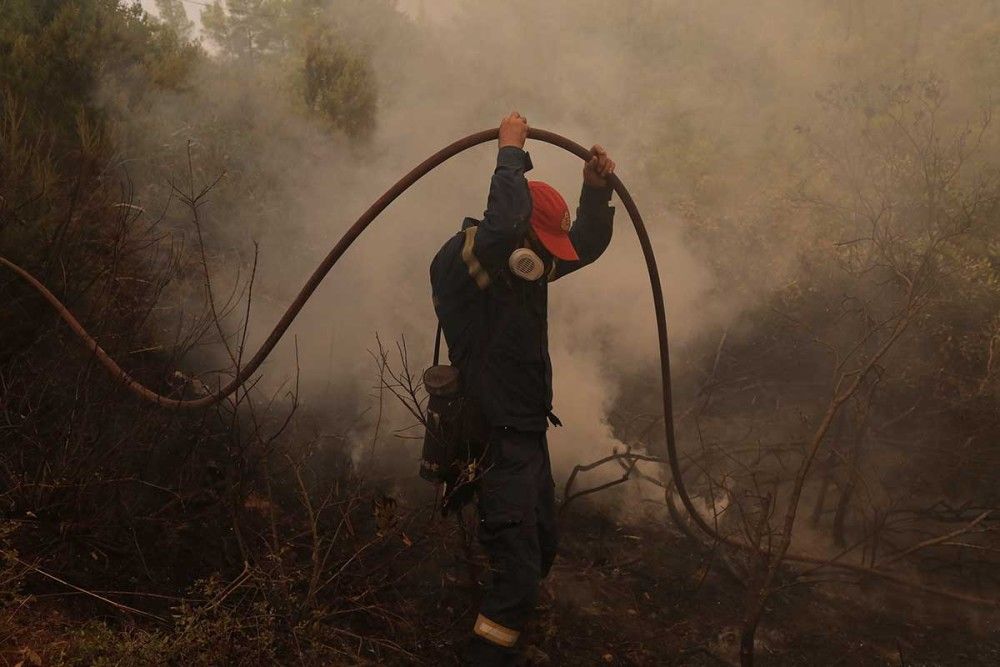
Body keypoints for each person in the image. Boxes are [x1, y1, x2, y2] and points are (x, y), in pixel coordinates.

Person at [430, 111, 616, 665]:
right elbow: (499, 226)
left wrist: (595, 194)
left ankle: (506, 638)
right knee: (516, 578)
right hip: (492, 436)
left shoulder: (525, 266)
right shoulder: (471, 259)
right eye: (541, 244)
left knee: (540, 550)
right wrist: (511, 151)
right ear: (520, 236)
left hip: (528, 435)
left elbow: (581, 243)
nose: (548, 260)